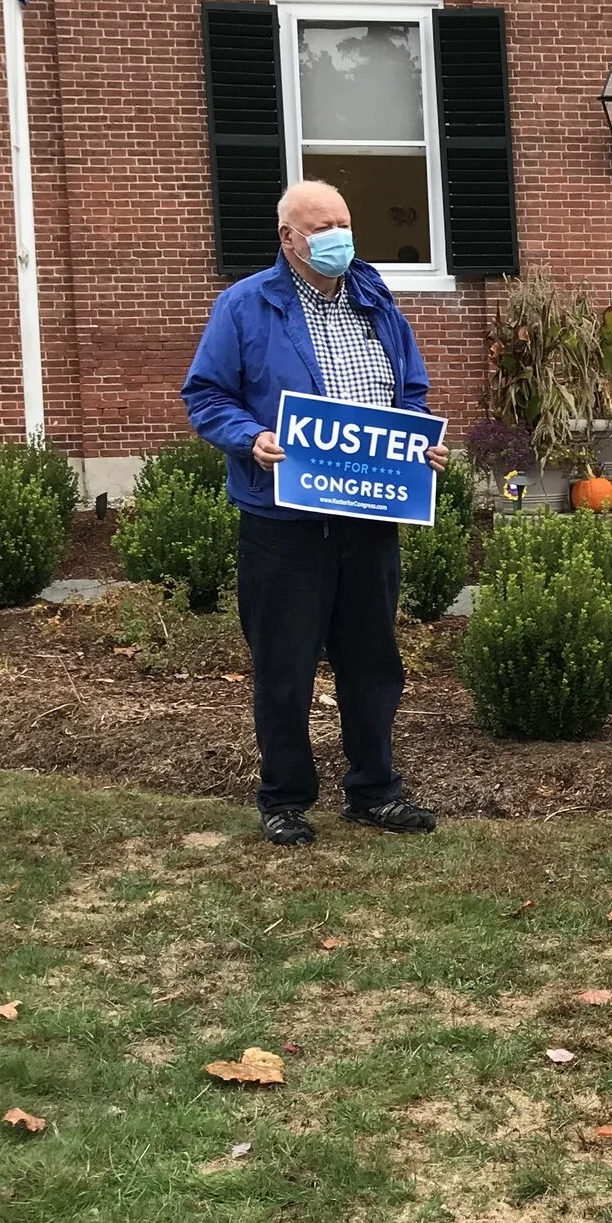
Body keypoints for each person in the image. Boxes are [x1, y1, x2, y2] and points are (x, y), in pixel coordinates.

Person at [182, 179, 445, 847]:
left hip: (369, 516)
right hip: (283, 523)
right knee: (285, 666)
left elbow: (410, 389)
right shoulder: (243, 306)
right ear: (288, 238)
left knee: (372, 661)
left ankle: (374, 790)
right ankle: (285, 797)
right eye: (322, 226)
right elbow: (206, 394)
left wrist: (418, 444)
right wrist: (251, 438)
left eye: (344, 223)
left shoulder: (376, 300)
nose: (338, 237)